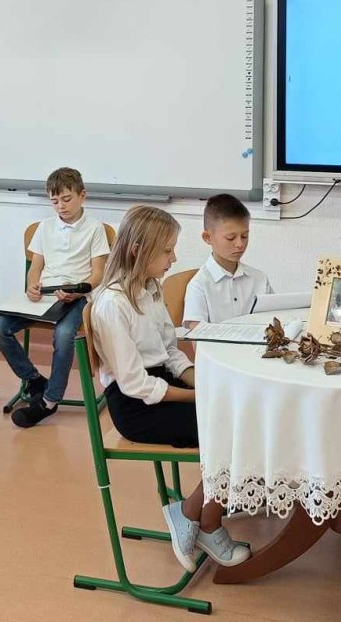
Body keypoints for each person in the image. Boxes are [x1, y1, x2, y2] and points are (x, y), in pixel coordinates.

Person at [92, 205, 250, 569]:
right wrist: (199, 397)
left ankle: (192, 512)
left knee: (244, 416)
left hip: (162, 382)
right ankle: (204, 520)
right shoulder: (112, 304)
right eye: (167, 251)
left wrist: (205, 382)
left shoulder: (149, 288)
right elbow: (136, 384)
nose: (173, 258)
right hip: (136, 407)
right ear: (138, 250)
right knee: (235, 432)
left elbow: (171, 353)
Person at [0, 167, 111, 428]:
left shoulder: (95, 229)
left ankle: (50, 400)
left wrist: (78, 289)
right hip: (45, 296)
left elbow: (98, 273)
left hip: (78, 295)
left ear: (82, 195)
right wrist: (32, 285)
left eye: (66, 199)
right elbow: (35, 267)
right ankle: (34, 380)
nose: (61, 206)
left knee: (65, 334)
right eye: (54, 201)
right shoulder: (45, 227)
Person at [182, 194, 272, 328]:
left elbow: (275, 320)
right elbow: (197, 336)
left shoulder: (260, 279)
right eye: (231, 238)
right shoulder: (199, 285)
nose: (240, 244)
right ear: (207, 237)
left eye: (244, 236)